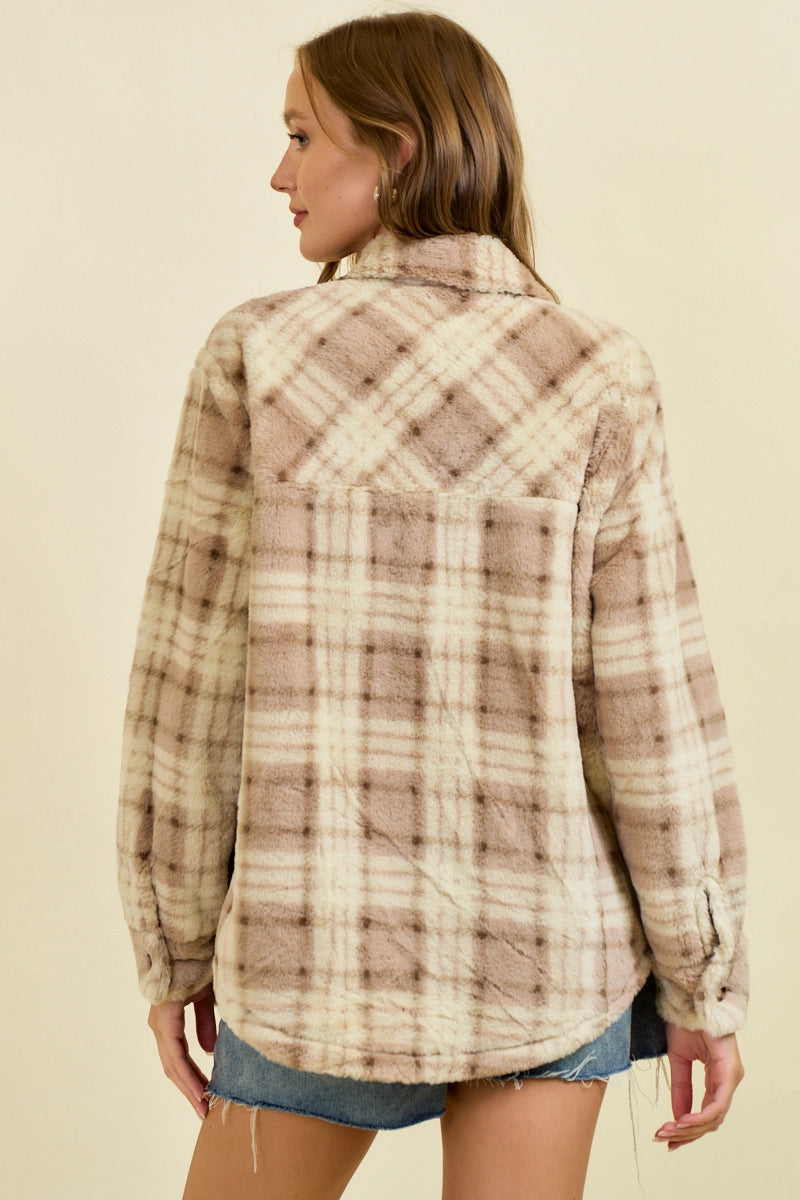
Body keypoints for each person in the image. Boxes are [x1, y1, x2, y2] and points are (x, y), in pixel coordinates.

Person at [117, 11, 747, 1199]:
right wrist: (701, 984)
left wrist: (174, 944)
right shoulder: (595, 371)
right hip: (544, 956)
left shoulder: (258, 357)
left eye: (301, 137)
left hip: (312, 953)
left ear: (397, 149)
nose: (280, 174)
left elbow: (188, 694)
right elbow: (651, 712)